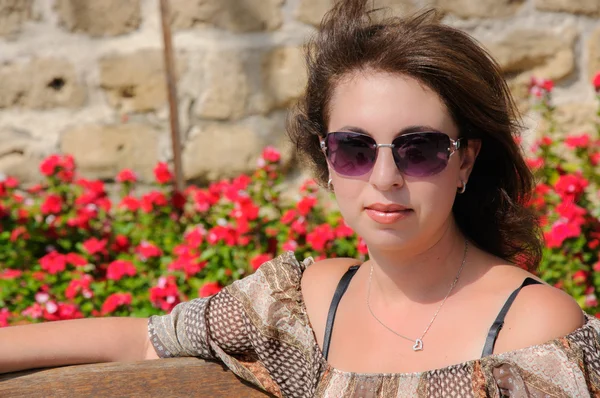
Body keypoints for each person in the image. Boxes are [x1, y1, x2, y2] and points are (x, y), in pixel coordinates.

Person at [1, 1, 598, 396]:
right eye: (355, 149)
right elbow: (144, 339)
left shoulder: (531, 330)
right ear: (327, 160)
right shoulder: (301, 308)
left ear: (465, 159)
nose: (385, 177)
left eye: (419, 150)